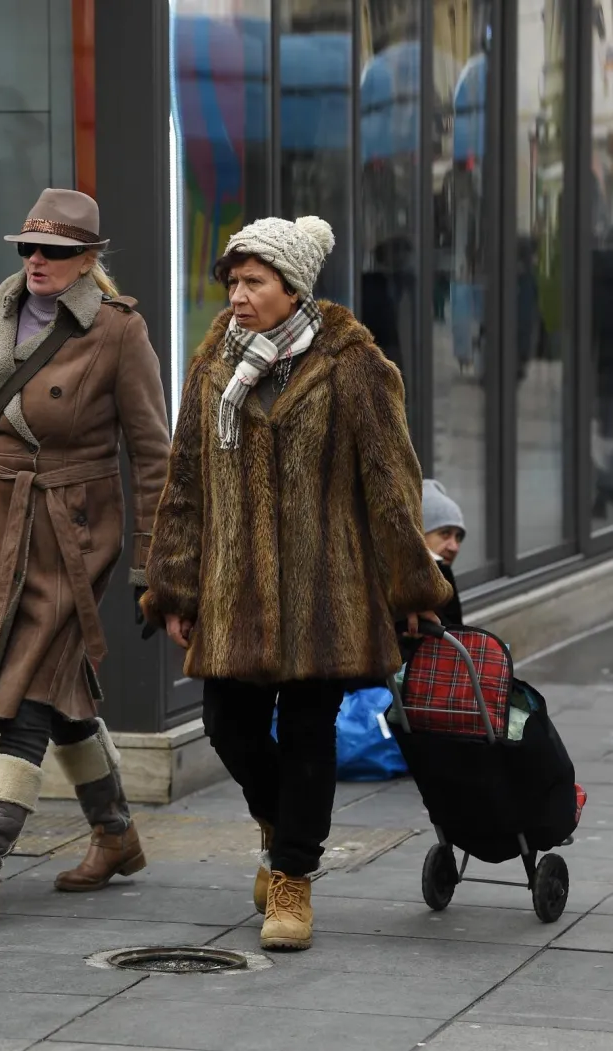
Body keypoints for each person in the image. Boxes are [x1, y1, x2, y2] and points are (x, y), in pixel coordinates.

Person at [140, 215, 452, 951]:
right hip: (235, 593)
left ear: (293, 287)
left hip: (325, 593)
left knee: (311, 732)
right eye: (233, 282)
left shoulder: (353, 365)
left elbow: (391, 484)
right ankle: (281, 823)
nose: (238, 296)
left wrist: (411, 589)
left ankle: (292, 879)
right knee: (229, 725)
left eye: (254, 282)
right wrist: (175, 588)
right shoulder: (214, 363)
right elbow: (185, 485)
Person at [0, 188, 170, 923]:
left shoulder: (119, 331)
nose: (37, 260)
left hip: (73, 535)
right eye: (29, 247)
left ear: (88, 260)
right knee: (59, 690)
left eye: (55, 252)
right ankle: (115, 833)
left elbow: (152, 455)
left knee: (25, 693)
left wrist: (151, 566)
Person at [422, 479, 466, 626]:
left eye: (458, 537)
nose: (454, 547)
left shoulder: (444, 575)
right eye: (445, 533)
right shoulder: (399, 591)